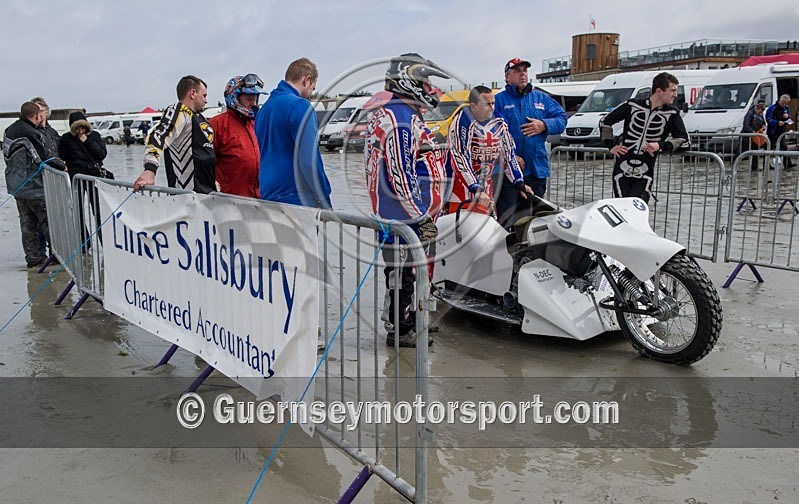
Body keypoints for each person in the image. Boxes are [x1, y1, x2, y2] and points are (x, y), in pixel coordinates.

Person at [365, 52, 449, 347]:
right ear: (409, 82)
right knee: (400, 275)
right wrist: (421, 216)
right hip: (400, 215)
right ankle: (398, 330)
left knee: (413, 272)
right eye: (424, 83)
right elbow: (401, 174)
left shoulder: (404, 114)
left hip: (410, 213)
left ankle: (414, 318)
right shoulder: (398, 118)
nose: (430, 90)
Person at [494, 57, 567, 228]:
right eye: (517, 71)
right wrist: (510, 156)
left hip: (536, 170)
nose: (522, 74)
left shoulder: (541, 98)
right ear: (507, 77)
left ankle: (531, 254)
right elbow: (491, 132)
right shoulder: (498, 101)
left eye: (525, 71)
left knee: (535, 220)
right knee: (506, 220)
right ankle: (504, 252)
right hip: (508, 173)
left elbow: (562, 119)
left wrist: (544, 125)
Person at [599, 72, 689, 203]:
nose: (675, 95)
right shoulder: (632, 105)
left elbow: (684, 140)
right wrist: (611, 145)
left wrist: (660, 145)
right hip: (621, 168)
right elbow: (605, 121)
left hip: (645, 171)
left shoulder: (672, 113)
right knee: (621, 207)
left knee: (637, 209)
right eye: (672, 90)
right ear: (659, 91)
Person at [255, 58, 331, 208]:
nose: (310, 95)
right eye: (312, 88)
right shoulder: (301, 106)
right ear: (306, 79)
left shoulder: (263, 110)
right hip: (296, 200)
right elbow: (310, 162)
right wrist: (324, 200)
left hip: (267, 196)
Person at [446, 85, 532, 216]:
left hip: (485, 185)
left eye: (493, 103)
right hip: (459, 188)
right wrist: (475, 187)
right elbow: (459, 157)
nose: (492, 107)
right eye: (487, 104)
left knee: (488, 227)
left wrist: (519, 182)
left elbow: (509, 155)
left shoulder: (500, 122)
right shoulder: (462, 122)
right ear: (474, 106)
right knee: (462, 229)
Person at [133, 75, 215, 193]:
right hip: (188, 195)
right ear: (193, 93)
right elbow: (158, 136)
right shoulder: (180, 111)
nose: (206, 100)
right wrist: (150, 170)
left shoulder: (199, 117)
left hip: (208, 193)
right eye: (204, 95)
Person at [2, 102, 55, 267]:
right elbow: (42, 158)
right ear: (37, 115)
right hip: (34, 186)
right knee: (47, 222)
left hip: (16, 185)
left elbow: (6, 156)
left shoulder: (9, 130)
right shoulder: (30, 132)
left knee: (27, 224)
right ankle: (56, 255)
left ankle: (33, 258)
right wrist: (62, 165)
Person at [209, 74, 266, 198]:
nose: (254, 103)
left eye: (256, 98)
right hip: (229, 202)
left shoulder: (255, 124)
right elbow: (204, 164)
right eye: (249, 98)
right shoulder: (217, 124)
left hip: (258, 201)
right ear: (235, 97)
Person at [58, 111, 108, 179]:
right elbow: (63, 156)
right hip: (75, 176)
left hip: (93, 175)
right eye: (77, 129)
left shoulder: (95, 136)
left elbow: (101, 154)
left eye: (82, 128)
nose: (80, 131)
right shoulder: (67, 138)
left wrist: (87, 142)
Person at [766, 94, 794, 170]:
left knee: (784, 147)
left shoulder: (786, 108)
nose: (784, 105)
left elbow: (790, 119)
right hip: (773, 131)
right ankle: (766, 165)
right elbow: (768, 119)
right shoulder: (772, 108)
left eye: (786, 103)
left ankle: (788, 164)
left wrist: (787, 117)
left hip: (782, 131)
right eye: (783, 103)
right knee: (770, 147)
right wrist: (777, 122)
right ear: (780, 100)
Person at [742, 102, 767, 171]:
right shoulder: (750, 113)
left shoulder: (760, 115)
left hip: (756, 136)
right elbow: (746, 125)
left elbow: (763, 122)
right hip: (749, 136)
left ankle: (755, 166)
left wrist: (763, 126)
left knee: (756, 150)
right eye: (761, 111)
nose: (761, 113)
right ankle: (734, 164)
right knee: (742, 151)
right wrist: (752, 132)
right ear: (758, 109)